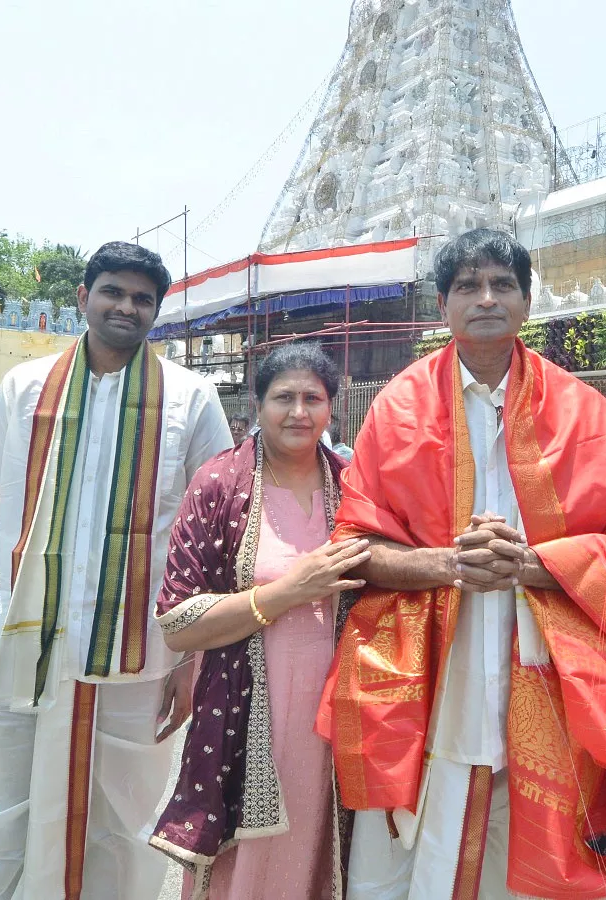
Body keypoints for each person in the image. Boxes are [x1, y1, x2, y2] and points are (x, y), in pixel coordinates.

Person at [316, 228, 606, 900]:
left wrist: (535, 565)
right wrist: (451, 565)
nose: (486, 298)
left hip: (550, 679)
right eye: (468, 286)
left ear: (527, 302)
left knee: (533, 864)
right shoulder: (398, 408)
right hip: (431, 680)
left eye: (502, 284)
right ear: (443, 305)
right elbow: (355, 546)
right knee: (413, 857)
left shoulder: (585, 413)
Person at [0, 242, 232, 900]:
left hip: (140, 649)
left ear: (157, 314)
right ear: (82, 298)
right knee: (7, 810)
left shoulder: (192, 398)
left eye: (143, 299)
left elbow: (216, 527)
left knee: (125, 815)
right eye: (113, 291)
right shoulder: (25, 387)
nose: (126, 307)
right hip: (22, 640)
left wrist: (194, 658)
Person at [151, 344, 368, 899]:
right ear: (257, 402)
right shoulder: (219, 485)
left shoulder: (354, 486)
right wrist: (287, 593)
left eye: (312, 399)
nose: (299, 412)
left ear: (332, 408)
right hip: (245, 711)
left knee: (322, 850)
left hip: (334, 712)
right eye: (284, 398)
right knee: (246, 867)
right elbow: (177, 621)